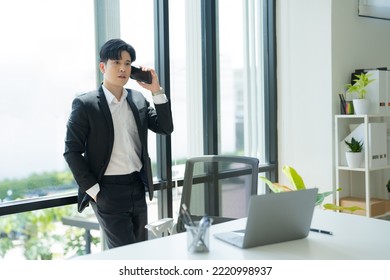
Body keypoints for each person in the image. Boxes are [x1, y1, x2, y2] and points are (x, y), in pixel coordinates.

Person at [63, 38, 174, 249]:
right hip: (107, 191)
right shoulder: (85, 104)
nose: (123, 68)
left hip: (137, 187)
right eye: (116, 62)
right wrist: (95, 191)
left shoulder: (138, 99)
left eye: (127, 63)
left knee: (140, 250)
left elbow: (165, 127)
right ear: (103, 66)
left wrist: (156, 90)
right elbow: (72, 151)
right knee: (125, 254)